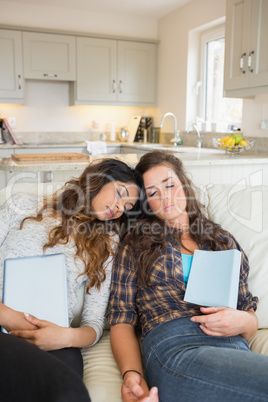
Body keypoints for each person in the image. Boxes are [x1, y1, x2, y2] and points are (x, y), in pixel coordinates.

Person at [107, 150, 268, 402]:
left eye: (170, 185)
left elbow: (248, 313)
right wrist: (132, 374)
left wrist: (242, 322)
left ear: (184, 183)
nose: (165, 197)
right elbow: (121, 318)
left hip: (232, 345)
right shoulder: (136, 242)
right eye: (152, 193)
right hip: (175, 345)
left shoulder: (221, 240)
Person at [0, 157, 141, 402]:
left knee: (70, 395)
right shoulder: (22, 205)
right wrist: (8, 316)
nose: (119, 208)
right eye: (120, 193)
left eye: (127, 208)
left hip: (54, 341)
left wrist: (66, 337)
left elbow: (94, 322)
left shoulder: (107, 242)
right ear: (99, 177)